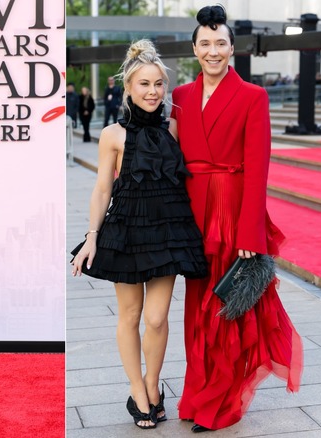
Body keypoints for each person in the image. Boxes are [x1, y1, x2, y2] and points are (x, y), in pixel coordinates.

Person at [170, 5, 303, 433]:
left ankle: (221, 404)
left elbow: (258, 166)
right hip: (192, 215)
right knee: (195, 309)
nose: (213, 51)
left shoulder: (253, 96)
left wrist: (250, 232)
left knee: (224, 311)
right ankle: (195, 396)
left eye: (220, 44)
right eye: (205, 44)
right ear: (194, 49)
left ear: (232, 48)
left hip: (231, 215)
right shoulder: (181, 98)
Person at [71, 39, 208, 430]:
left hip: (167, 229)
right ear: (128, 87)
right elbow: (101, 189)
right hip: (127, 228)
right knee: (130, 315)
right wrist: (92, 236)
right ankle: (137, 390)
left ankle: (152, 383)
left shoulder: (174, 127)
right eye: (144, 84)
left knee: (158, 317)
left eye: (158, 85)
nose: (152, 92)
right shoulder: (112, 134)